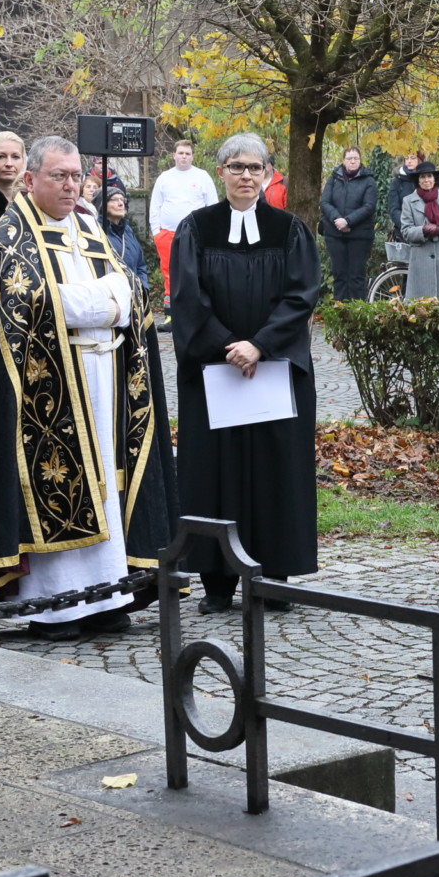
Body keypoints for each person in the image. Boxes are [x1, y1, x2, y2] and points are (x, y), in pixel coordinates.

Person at [0, 136, 176, 630]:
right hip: (45, 392)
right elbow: (30, 306)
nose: (71, 185)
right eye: (59, 176)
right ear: (30, 180)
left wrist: (92, 302)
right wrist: (101, 304)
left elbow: (132, 291)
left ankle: (109, 597)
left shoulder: (91, 229)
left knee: (106, 489)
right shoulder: (9, 238)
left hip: (104, 380)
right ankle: (56, 605)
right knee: (58, 484)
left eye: (76, 176)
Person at [169, 132, 321, 611]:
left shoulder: (289, 230)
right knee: (217, 473)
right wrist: (226, 347)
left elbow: (302, 296)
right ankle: (217, 582)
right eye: (236, 167)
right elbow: (187, 299)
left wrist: (259, 345)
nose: (246, 176)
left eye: (255, 168)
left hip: (273, 372)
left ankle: (274, 577)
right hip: (217, 375)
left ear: (268, 173)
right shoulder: (195, 229)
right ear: (221, 172)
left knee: (276, 472)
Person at [147, 138, 219, 306]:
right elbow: (155, 206)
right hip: (167, 235)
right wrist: (157, 233)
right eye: (181, 153)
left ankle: (195, 308)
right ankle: (171, 312)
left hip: (196, 235)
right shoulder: (164, 178)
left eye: (187, 153)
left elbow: (213, 206)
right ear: (174, 155)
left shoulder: (202, 176)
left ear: (192, 157)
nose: (184, 157)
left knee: (196, 270)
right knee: (169, 272)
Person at [319, 146, 377, 302]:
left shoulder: (368, 180)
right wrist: (337, 219)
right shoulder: (334, 178)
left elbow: (369, 206)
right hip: (334, 233)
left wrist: (348, 220)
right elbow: (325, 202)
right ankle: (340, 312)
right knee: (339, 275)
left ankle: (356, 314)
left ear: (360, 160)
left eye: (355, 158)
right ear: (343, 161)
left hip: (359, 235)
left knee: (356, 276)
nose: (353, 161)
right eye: (349, 158)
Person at [398, 162, 439, 298]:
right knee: (420, 309)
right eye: (422, 177)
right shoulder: (408, 201)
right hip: (421, 261)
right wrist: (423, 230)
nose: (426, 180)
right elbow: (406, 231)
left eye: (429, 176)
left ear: (435, 179)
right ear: (418, 180)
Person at [100, 185, 148, 288]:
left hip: (134, 296)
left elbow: (140, 265)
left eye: (122, 199)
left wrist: (143, 288)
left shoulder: (128, 231)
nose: (121, 203)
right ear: (101, 204)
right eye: (114, 200)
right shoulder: (96, 231)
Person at [388, 149, 425, 233]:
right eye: (406, 158)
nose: (409, 161)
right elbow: (394, 209)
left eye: (412, 158)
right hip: (403, 230)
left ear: (419, 160)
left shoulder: (427, 180)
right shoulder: (397, 181)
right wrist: (406, 225)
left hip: (425, 230)